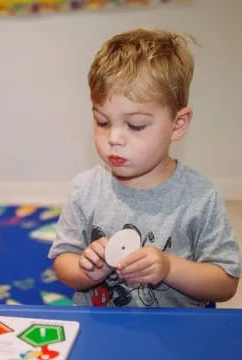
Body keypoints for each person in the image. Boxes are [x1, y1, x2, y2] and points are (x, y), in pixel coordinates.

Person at [48, 28, 240, 307]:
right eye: (102, 122)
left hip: (175, 336)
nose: (113, 138)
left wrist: (169, 268)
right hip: (102, 329)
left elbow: (226, 282)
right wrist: (86, 269)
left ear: (178, 125)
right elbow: (63, 261)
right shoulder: (86, 188)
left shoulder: (200, 197)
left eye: (136, 125)